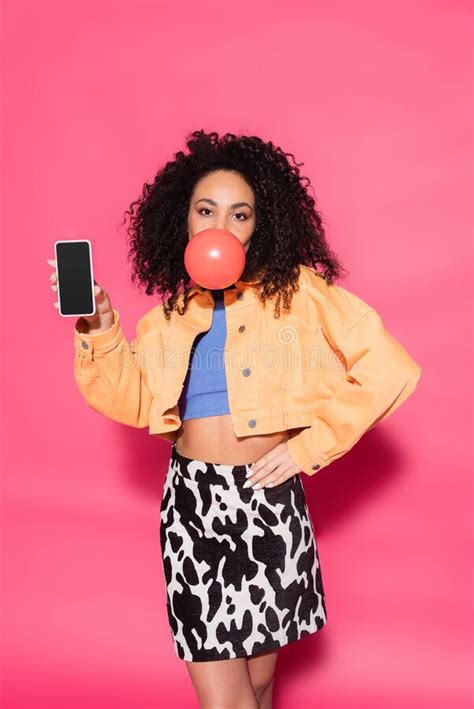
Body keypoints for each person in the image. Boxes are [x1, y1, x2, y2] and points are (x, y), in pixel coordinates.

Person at [47, 129, 422, 709]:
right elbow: (133, 400)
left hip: (271, 503)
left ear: (260, 224)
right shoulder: (167, 318)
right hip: (193, 506)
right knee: (225, 700)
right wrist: (98, 329)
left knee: (261, 685)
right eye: (206, 209)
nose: (221, 225)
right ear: (186, 221)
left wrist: (308, 448)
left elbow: (389, 369)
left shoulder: (296, 293)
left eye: (239, 213)